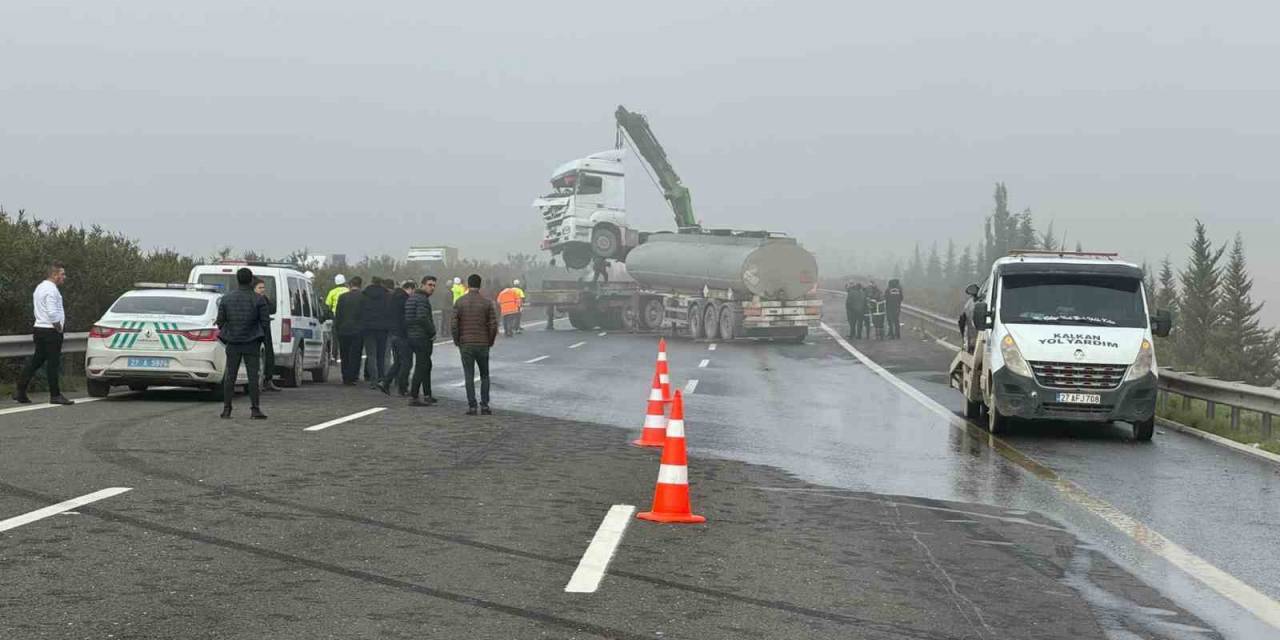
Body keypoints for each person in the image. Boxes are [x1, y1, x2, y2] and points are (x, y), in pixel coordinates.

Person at [13, 261, 74, 405]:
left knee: (36, 360)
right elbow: (52, 312)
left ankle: (20, 391)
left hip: (39, 328)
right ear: (54, 275)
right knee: (53, 363)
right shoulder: (52, 290)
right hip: (50, 330)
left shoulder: (39, 287)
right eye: (62, 274)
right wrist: (58, 327)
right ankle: (55, 395)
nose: (64, 277)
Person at [215, 267, 270, 419]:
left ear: (237, 280)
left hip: (232, 342)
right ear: (251, 280)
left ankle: (227, 409)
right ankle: (255, 409)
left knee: (230, 376)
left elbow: (220, 322)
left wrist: (229, 332)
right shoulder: (259, 299)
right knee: (253, 376)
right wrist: (263, 339)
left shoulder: (226, 298)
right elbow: (265, 323)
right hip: (252, 342)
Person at [452, 273, 497, 415]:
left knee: (468, 375)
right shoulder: (487, 303)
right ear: (480, 285)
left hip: (466, 344)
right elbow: (493, 325)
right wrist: (490, 340)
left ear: (468, 285)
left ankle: (472, 406)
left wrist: (457, 340)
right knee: (484, 375)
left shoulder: (459, 302)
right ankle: (484, 405)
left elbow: (454, 324)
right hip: (483, 343)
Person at [404, 275, 438, 406]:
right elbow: (423, 318)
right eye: (430, 285)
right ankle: (414, 396)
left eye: (434, 285)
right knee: (421, 366)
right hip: (421, 337)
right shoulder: (422, 299)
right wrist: (432, 332)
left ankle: (427, 394)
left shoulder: (412, 298)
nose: (432, 288)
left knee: (426, 365)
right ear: (422, 285)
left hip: (412, 335)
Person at [378, 280, 415, 396]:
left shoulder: (393, 297)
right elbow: (406, 319)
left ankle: (385, 382)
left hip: (393, 334)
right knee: (406, 363)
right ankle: (402, 388)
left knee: (398, 362)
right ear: (410, 288)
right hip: (402, 335)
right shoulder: (404, 299)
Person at [359, 277, 393, 386]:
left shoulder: (364, 295)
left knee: (371, 355)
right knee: (381, 355)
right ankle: (381, 379)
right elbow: (390, 311)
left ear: (371, 282)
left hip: (368, 329)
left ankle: (373, 380)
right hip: (383, 329)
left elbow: (360, 311)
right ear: (381, 283)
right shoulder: (387, 295)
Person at [334, 276, 364, 385]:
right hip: (358, 330)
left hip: (343, 330)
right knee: (355, 354)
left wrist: (337, 328)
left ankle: (345, 376)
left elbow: (338, 314)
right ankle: (353, 376)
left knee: (344, 354)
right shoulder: (363, 297)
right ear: (360, 285)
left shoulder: (342, 297)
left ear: (350, 285)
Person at [253, 279, 281, 392]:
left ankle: (268, 380)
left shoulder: (264, 299)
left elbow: (272, 308)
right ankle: (258, 382)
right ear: (254, 288)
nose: (262, 290)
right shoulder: (252, 299)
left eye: (263, 287)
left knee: (269, 355)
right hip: (255, 331)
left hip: (265, 331)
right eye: (260, 287)